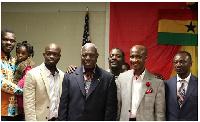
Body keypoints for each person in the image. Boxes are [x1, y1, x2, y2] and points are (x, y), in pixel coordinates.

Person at [58, 43, 117, 121]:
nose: (88, 58)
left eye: (91, 55)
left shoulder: (108, 78)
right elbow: (63, 106)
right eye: (84, 55)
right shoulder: (69, 76)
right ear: (81, 56)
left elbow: (110, 110)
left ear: (97, 56)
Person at [117, 45, 165, 121]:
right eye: (132, 57)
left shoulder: (157, 82)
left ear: (145, 58)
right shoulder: (122, 78)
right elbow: (118, 107)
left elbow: (160, 113)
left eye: (138, 57)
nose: (134, 60)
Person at [23, 43, 64, 121]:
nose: (51, 56)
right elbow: (29, 105)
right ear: (44, 55)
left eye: (55, 54)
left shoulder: (63, 76)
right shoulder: (32, 74)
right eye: (49, 54)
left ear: (59, 57)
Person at [165, 51, 198, 121]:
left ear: (190, 64)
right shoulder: (166, 84)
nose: (178, 65)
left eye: (182, 62)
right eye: (175, 62)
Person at [1, 29, 23, 121]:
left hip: (17, 112)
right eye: (5, 39)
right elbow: (2, 83)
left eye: (12, 41)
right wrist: (23, 91)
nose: (9, 43)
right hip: (2, 112)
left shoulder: (15, 61)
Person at [13, 41, 35, 119]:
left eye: (23, 53)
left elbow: (26, 77)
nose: (20, 55)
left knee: (23, 108)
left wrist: (17, 86)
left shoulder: (28, 64)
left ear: (29, 55)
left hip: (22, 90)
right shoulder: (17, 62)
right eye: (18, 52)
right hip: (16, 92)